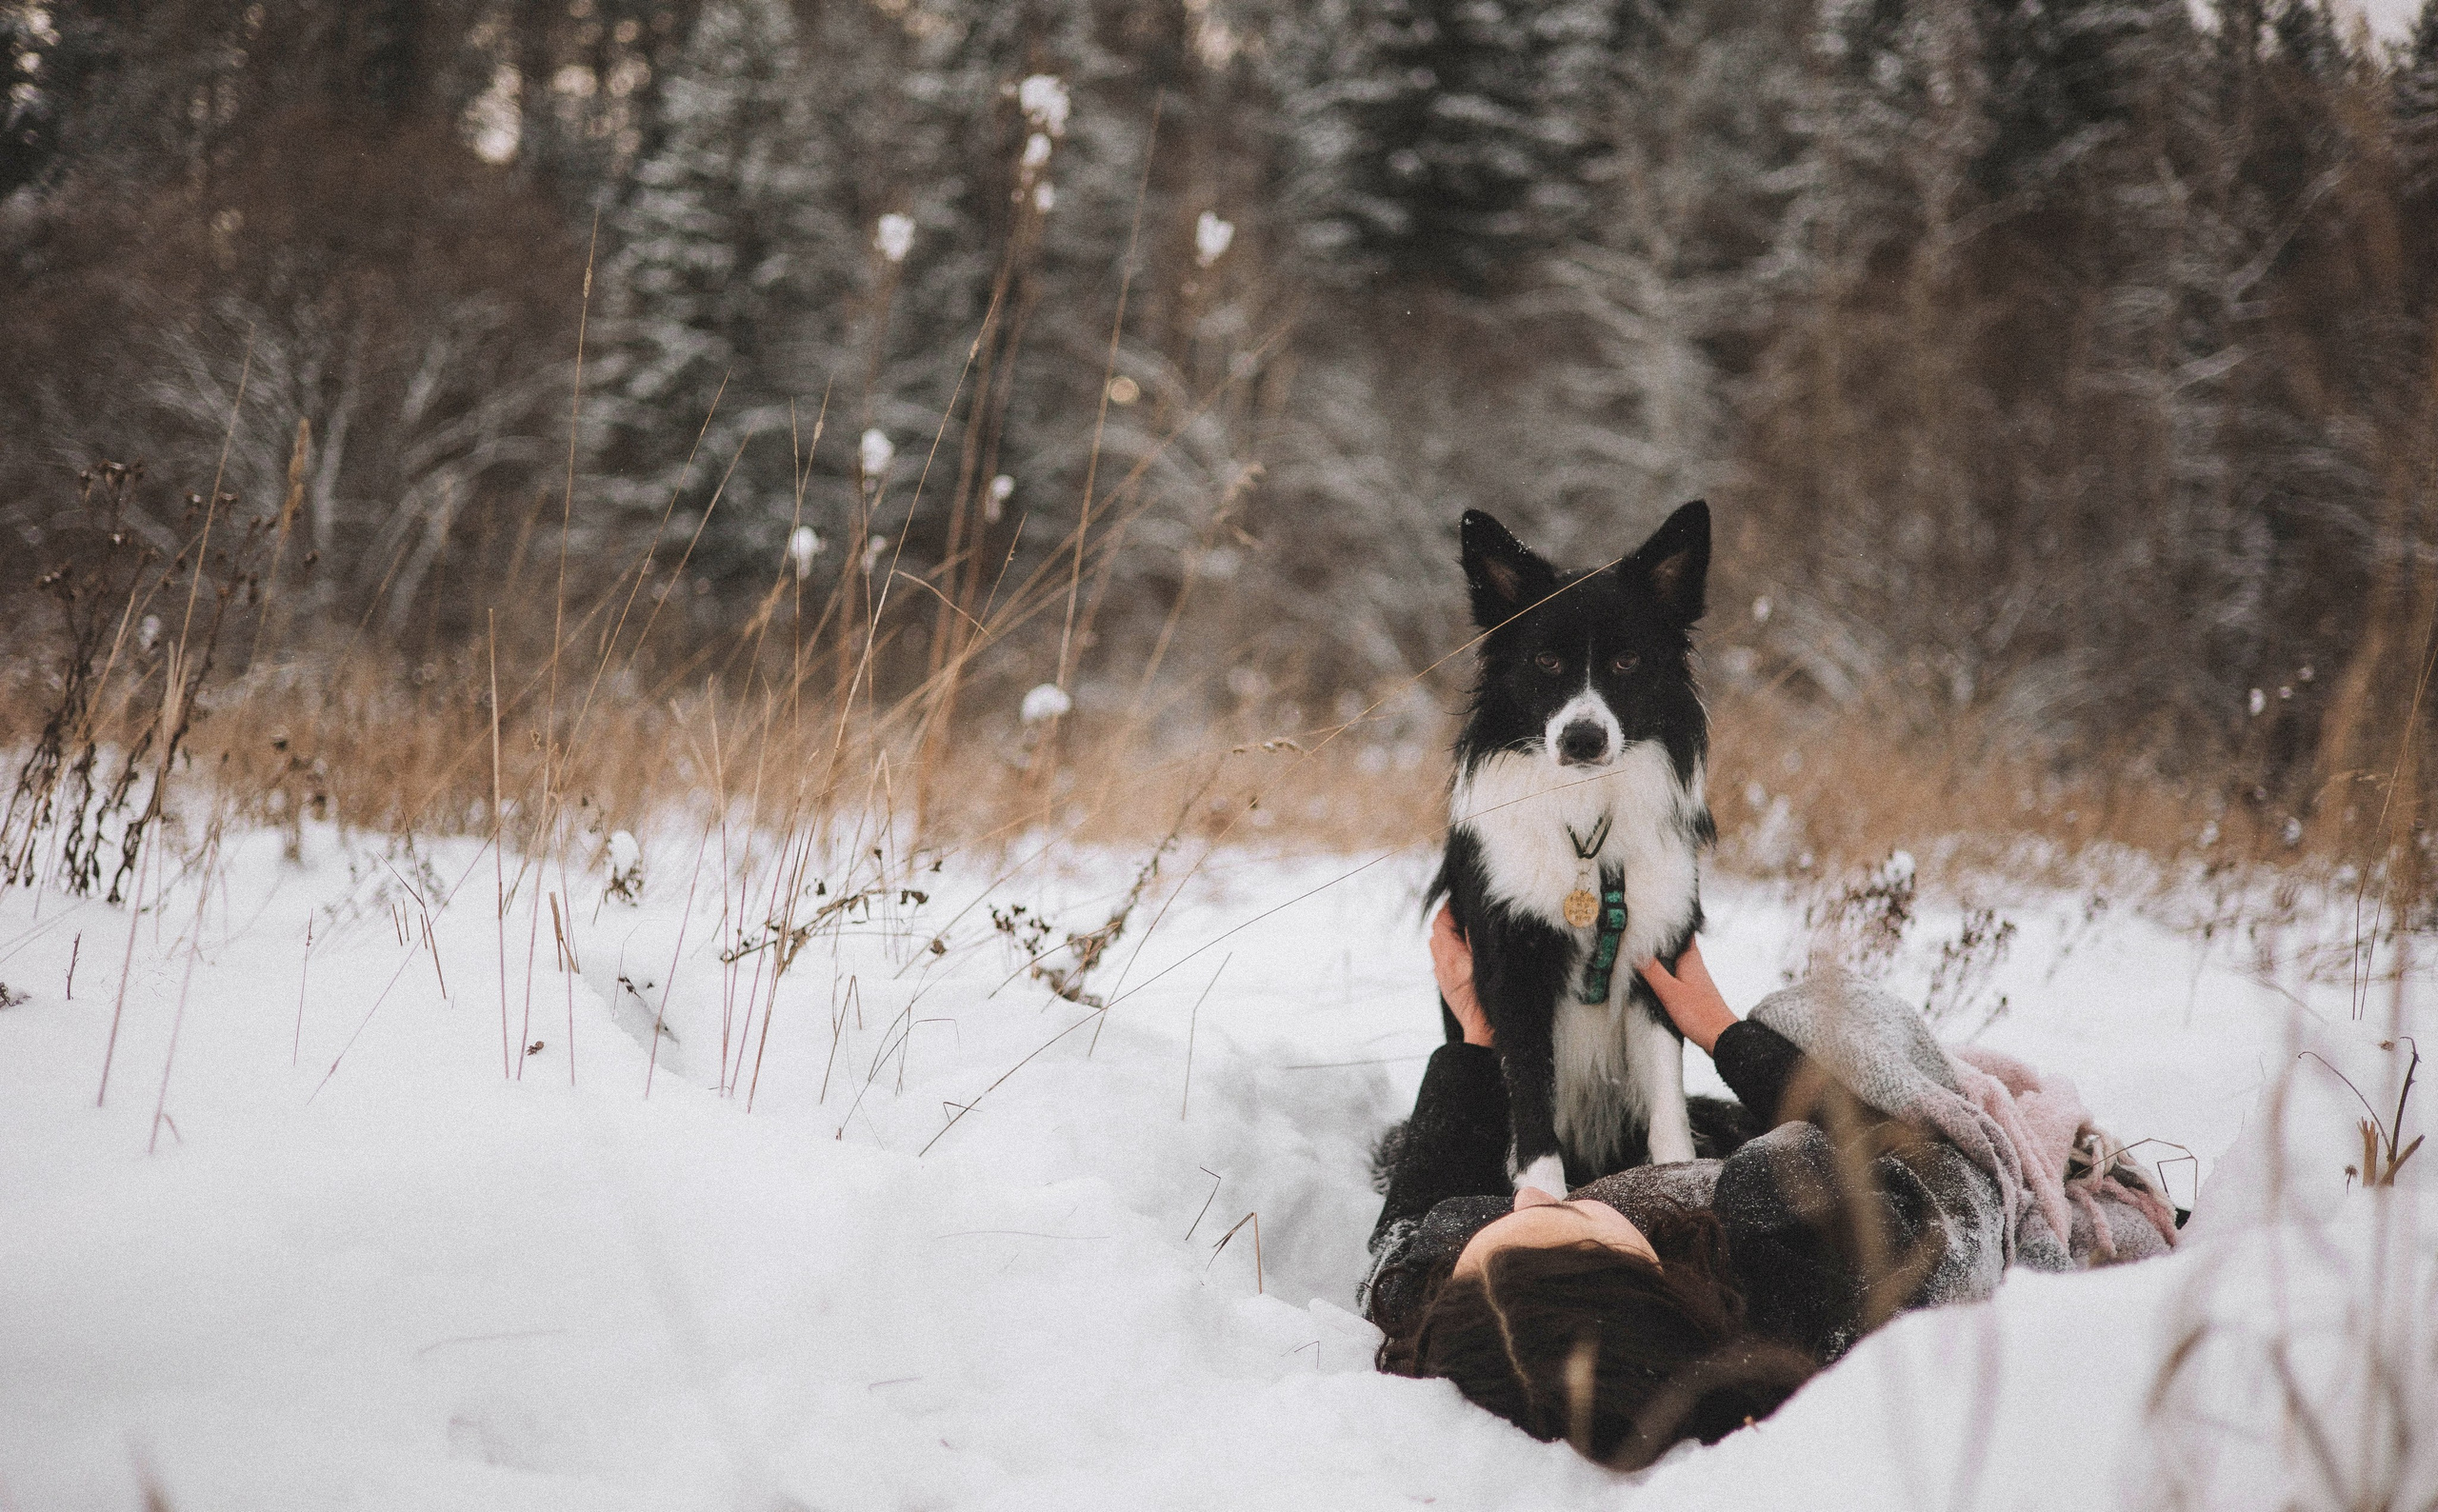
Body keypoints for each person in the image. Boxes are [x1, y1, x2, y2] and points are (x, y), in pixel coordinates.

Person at [1361, 905, 2181, 1469]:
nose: (1534, 1195)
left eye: (1492, 1231)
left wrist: (1476, 1038)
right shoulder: (1800, 1256)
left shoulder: (1493, 1322)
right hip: (1922, 1174)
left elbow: (1404, 1248)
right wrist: (1723, 1029)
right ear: (1638, 1290)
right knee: (1825, 1028)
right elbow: (1926, 1151)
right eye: (1570, 1219)